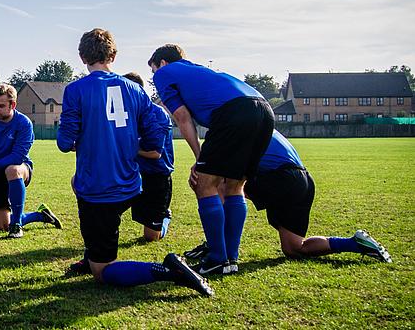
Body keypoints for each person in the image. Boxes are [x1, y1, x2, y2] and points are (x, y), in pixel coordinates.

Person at [57, 29, 212, 297]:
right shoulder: (134, 90)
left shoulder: (75, 90)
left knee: (102, 271)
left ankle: (167, 270)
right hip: (131, 184)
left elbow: (64, 141)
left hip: (98, 190)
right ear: (113, 55)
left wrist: (84, 140)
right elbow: (158, 128)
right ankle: (93, 250)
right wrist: (136, 145)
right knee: (82, 191)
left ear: (82, 57)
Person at [149, 44, 274, 275]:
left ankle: (217, 257)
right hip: (264, 109)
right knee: (234, 186)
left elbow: (182, 118)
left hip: (234, 112)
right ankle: (230, 258)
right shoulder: (196, 71)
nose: (155, 76)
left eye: (154, 70)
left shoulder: (165, 73)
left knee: (204, 184)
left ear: (162, 63)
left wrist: (200, 157)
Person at [184, 131, 392, 265]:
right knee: (294, 248)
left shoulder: (234, 126)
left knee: (217, 186)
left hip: (281, 177)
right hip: (303, 180)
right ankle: (354, 243)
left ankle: (217, 248)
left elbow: (224, 172)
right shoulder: (257, 120)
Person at [0, 83, 62, 238]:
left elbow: (17, 156)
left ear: (12, 105)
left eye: (1, 106)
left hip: (20, 169)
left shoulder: (24, 123)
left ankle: (17, 225)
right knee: (0, 226)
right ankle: (40, 215)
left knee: (12, 169)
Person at [123, 72, 174, 242]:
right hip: (134, 174)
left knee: (151, 237)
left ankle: (165, 218)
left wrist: (127, 149)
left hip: (156, 176)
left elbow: (154, 153)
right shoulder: (126, 113)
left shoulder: (156, 114)